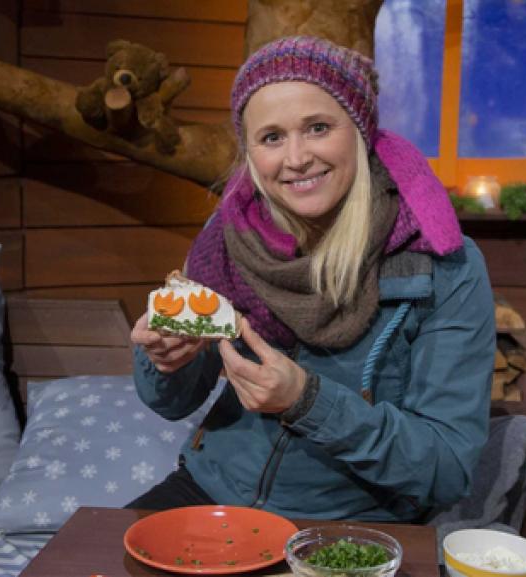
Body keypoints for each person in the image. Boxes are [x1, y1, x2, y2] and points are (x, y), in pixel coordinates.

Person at [129, 35, 495, 523]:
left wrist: (307, 402)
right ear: (251, 151)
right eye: (272, 137)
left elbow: (446, 468)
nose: (296, 158)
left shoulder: (441, 263)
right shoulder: (227, 241)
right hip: (213, 493)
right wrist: (164, 361)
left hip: (354, 523)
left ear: (360, 132)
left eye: (318, 127)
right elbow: (173, 404)